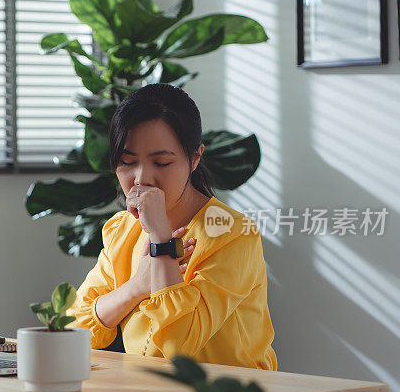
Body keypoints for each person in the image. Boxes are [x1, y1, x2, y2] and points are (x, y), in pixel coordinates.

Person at [65, 83, 277, 371]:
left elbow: (179, 349)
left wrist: (160, 240)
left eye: (162, 163)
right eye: (127, 162)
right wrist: (137, 287)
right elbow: (75, 328)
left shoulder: (231, 233)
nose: (142, 179)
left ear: (195, 158)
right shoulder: (122, 229)